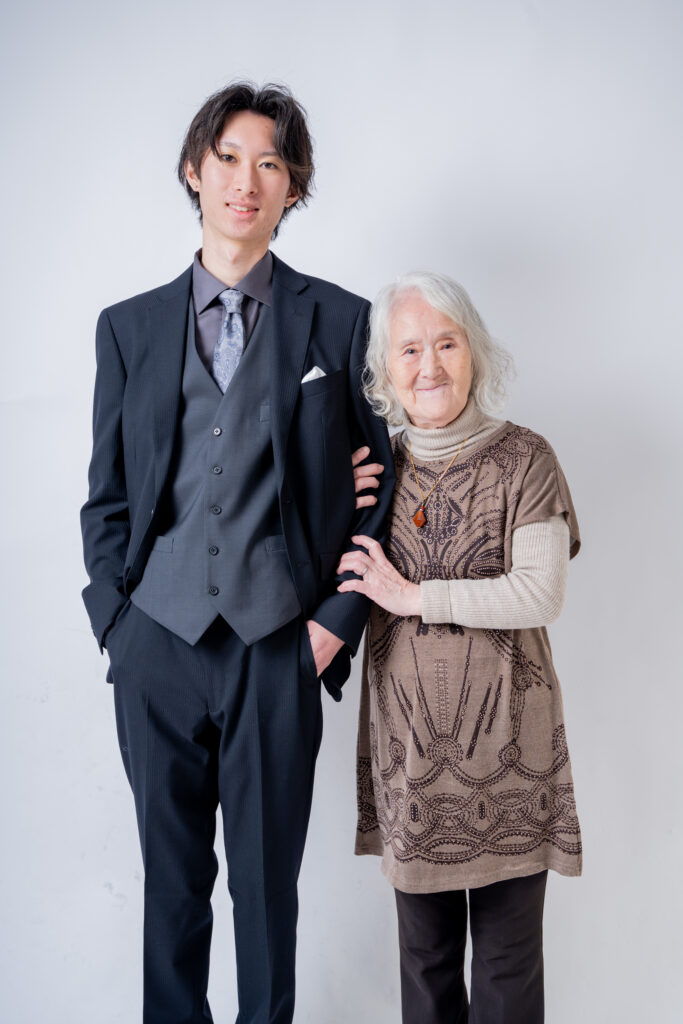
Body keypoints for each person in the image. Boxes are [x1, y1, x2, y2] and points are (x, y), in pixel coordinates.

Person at [80, 81, 394, 1024]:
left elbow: (381, 488)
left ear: (292, 187)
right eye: (227, 159)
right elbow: (107, 496)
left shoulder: (338, 321)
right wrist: (117, 626)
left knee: (265, 894)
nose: (245, 181)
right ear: (194, 170)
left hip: (278, 644)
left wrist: (333, 627)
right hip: (156, 644)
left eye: (269, 163)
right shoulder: (128, 328)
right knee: (171, 891)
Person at [337, 271, 582, 1024]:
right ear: (384, 373)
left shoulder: (525, 459)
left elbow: (539, 593)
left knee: (508, 967)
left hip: (512, 756)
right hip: (412, 759)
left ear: (474, 351)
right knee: (426, 964)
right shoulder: (371, 472)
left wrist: (416, 597)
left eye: (446, 344)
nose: (429, 366)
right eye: (408, 349)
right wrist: (331, 499)